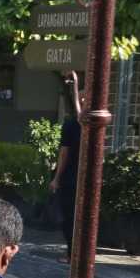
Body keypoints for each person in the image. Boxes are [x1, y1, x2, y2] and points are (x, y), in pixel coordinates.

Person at [50, 76, 83, 262]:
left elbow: (64, 153)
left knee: (70, 216)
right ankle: (74, 252)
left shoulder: (74, 125)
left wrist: (56, 178)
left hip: (72, 178)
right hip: (78, 177)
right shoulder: (83, 126)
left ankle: (72, 254)